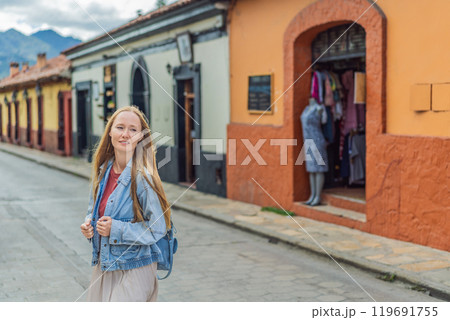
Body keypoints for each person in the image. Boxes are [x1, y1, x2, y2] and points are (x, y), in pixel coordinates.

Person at [80, 105, 171, 302]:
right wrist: (89, 226)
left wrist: (116, 228)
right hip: (105, 265)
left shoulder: (143, 178)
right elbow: (92, 212)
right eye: (120, 127)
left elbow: (158, 228)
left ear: (140, 137)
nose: (125, 134)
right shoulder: (102, 172)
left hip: (136, 267)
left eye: (133, 129)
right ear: (110, 132)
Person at [300, 98, 329, 206]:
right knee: (311, 169)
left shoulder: (319, 108)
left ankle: (318, 196)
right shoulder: (306, 109)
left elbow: (324, 121)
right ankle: (312, 195)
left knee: (319, 168)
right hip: (307, 141)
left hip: (317, 140)